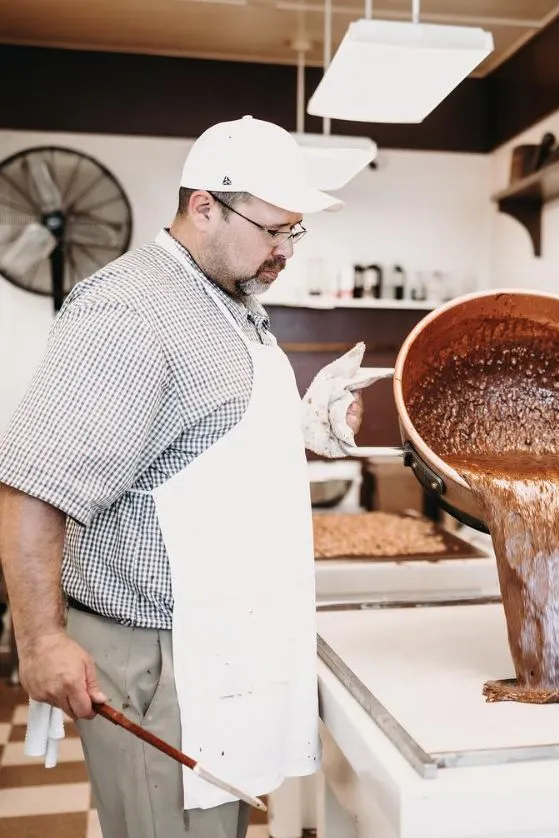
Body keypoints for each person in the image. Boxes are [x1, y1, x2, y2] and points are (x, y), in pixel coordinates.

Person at [0, 115, 376, 837]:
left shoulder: (230, 302)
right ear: (204, 205)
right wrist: (41, 641)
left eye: (295, 232)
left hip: (222, 640)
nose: (284, 252)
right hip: (158, 660)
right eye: (273, 231)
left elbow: (193, 444)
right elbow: (32, 484)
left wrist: (309, 426)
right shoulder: (131, 311)